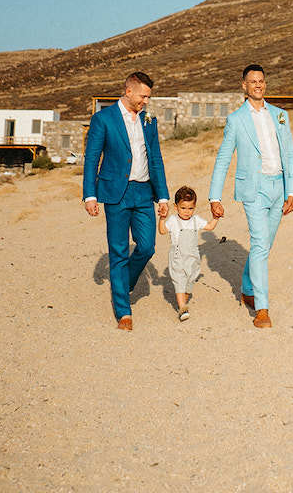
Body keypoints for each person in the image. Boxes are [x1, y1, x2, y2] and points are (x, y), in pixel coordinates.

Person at [209, 64, 293, 328]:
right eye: (253, 81)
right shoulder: (236, 119)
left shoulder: (281, 115)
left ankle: (247, 288)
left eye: (261, 81)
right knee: (260, 244)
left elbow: (290, 154)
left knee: (264, 245)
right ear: (244, 86)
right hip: (254, 190)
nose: (258, 85)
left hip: (279, 188)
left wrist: (292, 190)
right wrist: (215, 196)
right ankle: (262, 308)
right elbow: (224, 158)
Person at [83, 71, 169, 330]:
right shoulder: (103, 119)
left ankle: (124, 282)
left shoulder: (149, 120)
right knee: (118, 251)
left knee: (147, 247)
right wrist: (90, 194)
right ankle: (124, 312)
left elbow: (156, 158)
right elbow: (91, 158)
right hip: (115, 193)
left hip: (144, 192)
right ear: (128, 91)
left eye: (148, 97)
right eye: (143, 96)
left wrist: (163, 194)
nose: (146, 102)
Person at [158, 185, 218, 320]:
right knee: (180, 281)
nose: (186, 212)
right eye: (183, 208)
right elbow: (162, 231)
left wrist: (216, 218)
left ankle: (182, 305)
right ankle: (183, 309)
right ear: (176, 207)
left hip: (193, 258)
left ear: (194, 207)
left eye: (190, 208)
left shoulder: (196, 220)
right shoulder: (174, 221)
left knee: (189, 283)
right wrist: (162, 219)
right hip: (178, 257)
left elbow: (209, 226)